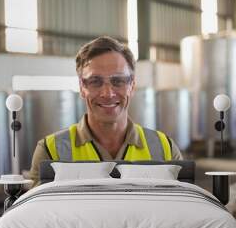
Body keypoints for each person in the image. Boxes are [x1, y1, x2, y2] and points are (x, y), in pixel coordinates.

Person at [29, 36, 182, 186]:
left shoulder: (165, 149)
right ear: (82, 88)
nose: (107, 93)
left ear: (132, 86)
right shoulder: (50, 151)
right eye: (95, 81)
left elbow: (183, 208)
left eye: (118, 81)